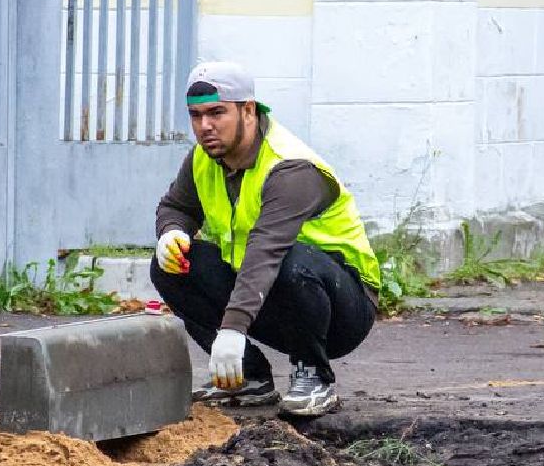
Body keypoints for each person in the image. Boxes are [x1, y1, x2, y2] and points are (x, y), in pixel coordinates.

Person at [151, 61, 380, 417]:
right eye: (196, 115)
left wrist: (232, 329)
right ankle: (247, 377)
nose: (205, 126)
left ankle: (314, 376)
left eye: (217, 113)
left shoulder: (291, 168)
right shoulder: (204, 158)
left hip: (340, 309)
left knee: (290, 260)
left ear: (248, 111)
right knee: (170, 266)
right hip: (266, 295)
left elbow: (267, 251)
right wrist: (172, 232)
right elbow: (176, 207)